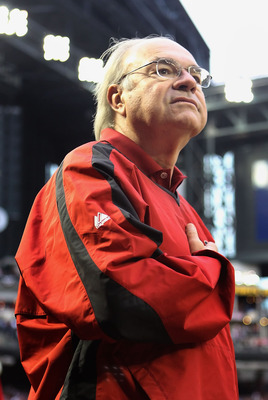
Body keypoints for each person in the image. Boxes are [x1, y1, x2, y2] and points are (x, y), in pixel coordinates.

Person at [15, 35, 239, 399]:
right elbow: (123, 297)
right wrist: (213, 271)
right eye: (163, 70)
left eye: (196, 76)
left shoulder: (183, 206)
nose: (188, 81)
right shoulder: (88, 169)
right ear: (118, 98)